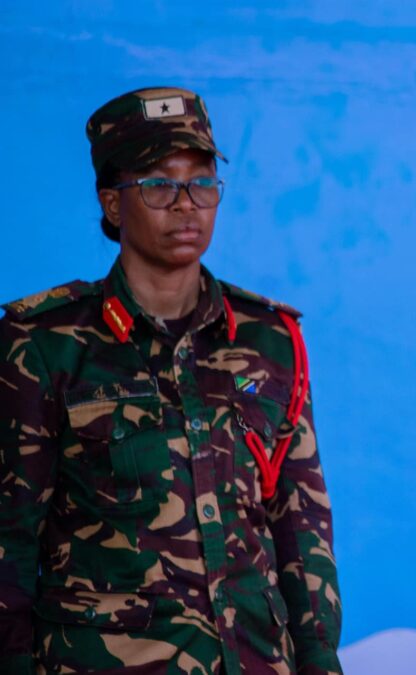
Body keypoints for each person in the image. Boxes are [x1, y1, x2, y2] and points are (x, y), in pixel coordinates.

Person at [0, 87, 342, 674]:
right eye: (159, 184)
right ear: (112, 204)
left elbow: (300, 526)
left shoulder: (269, 338)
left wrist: (319, 663)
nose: (187, 204)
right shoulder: (42, 343)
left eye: (202, 183)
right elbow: (9, 545)